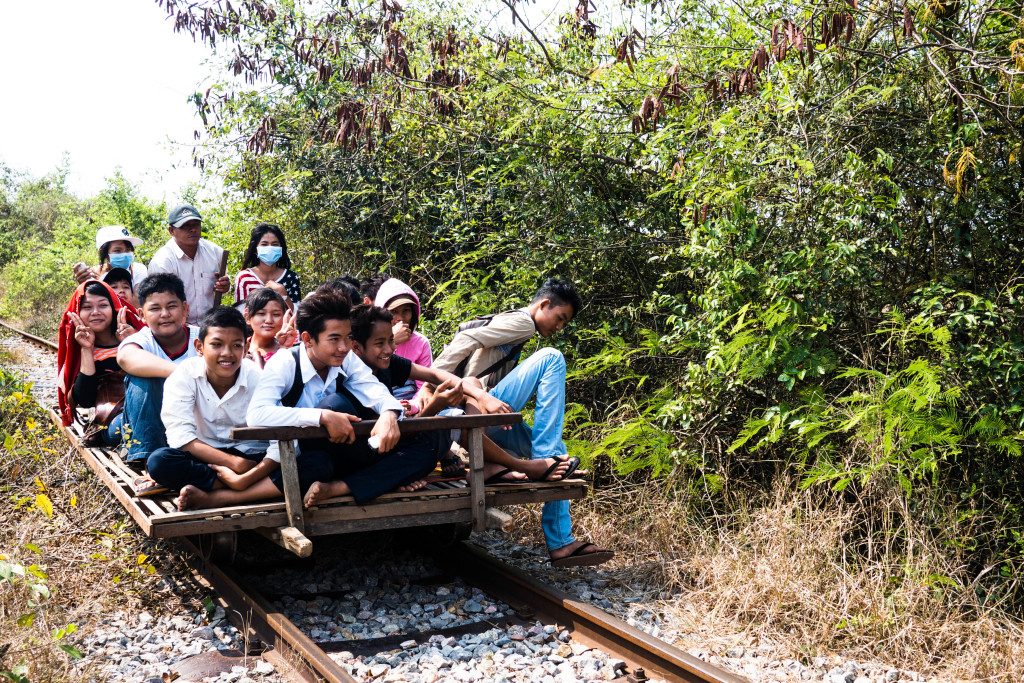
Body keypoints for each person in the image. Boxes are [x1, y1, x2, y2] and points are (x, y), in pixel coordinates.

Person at [430, 277, 613, 568]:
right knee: (552, 358)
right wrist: (429, 380)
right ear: (543, 304)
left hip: (476, 416)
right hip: (474, 407)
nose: (559, 327)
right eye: (559, 318)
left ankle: (561, 543)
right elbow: (465, 340)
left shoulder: (520, 327)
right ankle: (543, 461)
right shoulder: (523, 322)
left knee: (560, 455)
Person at [246, 288, 445, 508]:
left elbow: (373, 389)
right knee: (333, 413)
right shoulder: (285, 362)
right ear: (308, 339)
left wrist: (389, 413)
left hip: (348, 452)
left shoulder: (346, 358)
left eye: (348, 338)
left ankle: (340, 487)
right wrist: (321, 416)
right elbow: (256, 414)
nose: (343, 347)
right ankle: (383, 479)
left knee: (428, 449)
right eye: (334, 339)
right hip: (313, 457)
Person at [349, 304, 577, 485]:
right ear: (356, 347)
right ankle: (528, 465)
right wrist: (434, 404)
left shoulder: (389, 362)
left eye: (391, 341)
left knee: (469, 384)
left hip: (408, 436)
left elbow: (434, 374)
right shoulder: (350, 380)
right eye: (381, 343)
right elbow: (397, 437)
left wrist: (481, 396)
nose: (390, 349)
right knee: (551, 358)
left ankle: (553, 461)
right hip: (377, 452)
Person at [145, 307, 278, 511]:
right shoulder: (184, 375)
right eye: (216, 344)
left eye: (236, 345)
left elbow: (280, 439)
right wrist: (236, 465)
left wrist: (250, 470)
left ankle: (220, 493)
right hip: (206, 456)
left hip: (251, 458)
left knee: (310, 462)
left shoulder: (258, 379)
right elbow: (180, 436)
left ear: (246, 348)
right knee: (160, 462)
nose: (227, 353)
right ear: (199, 347)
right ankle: (249, 487)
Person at [116, 273, 201, 481]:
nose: (165, 314)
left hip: (189, 419)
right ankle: (149, 462)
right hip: (140, 420)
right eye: (155, 308)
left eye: (172, 306)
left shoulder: (203, 338)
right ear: (142, 315)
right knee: (143, 379)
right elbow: (126, 358)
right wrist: (184, 374)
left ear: (185, 309)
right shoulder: (140, 340)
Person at [56, 280, 145, 446]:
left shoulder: (135, 336)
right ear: (78, 311)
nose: (95, 312)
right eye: (87, 307)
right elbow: (85, 400)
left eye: (103, 305)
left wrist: (133, 344)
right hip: (112, 420)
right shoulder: (76, 350)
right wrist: (87, 350)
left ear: (113, 308)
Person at [148, 204, 230, 326]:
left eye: (196, 224)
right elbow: (161, 305)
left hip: (211, 325)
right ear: (171, 231)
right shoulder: (162, 261)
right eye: (185, 226)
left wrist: (225, 286)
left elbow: (224, 287)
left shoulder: (215, 252)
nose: (193, 230)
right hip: (177, 327)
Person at [374, 278, 433, 400]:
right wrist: (392, 340)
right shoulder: (369, 341)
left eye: (406, 311)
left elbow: (424, 387)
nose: (400, 318)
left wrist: (412, 406)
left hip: (414, 406)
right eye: (393, 311)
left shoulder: (421, 343)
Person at [233, 223, 302, 313]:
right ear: (255, 250)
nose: (270, 248)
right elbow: (240, 314)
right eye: (264, 244)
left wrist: (283, 294)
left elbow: (296, 315)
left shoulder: (291, 277)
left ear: (281, 249)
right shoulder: (244, 278)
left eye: (275, 244)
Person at [72, 225, 149, 289]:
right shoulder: (93, 274)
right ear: (103, 253)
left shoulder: (137, 270)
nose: (125, 254)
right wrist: (83, 285)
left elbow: (137, 302)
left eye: (128, 249)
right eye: (118, 250)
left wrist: (100, 284)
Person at [243, 287, 297, 369]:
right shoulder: (237, 349)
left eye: (276, 314)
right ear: (247, 317)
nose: (269, 320)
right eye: (261, 313)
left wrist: (285, 348)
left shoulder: (294, 351)